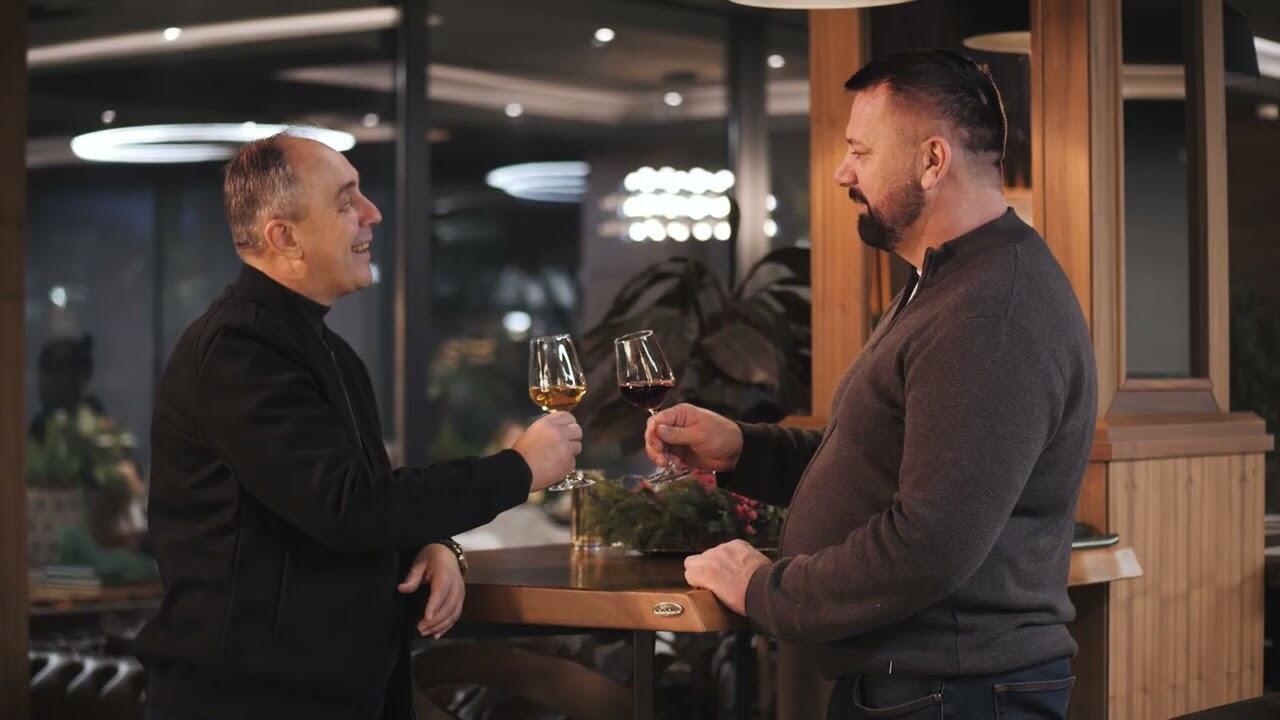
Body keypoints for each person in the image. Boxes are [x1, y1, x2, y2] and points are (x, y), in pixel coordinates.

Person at [646, 50, 1096, 719]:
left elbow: (929, 545)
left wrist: (764, 589)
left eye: (860, 150)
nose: (842, 171)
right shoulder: (947, 281)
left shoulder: (988, 314)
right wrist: (742, 448)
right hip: (929, 687)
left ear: (932, 161)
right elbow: (884, 462)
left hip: (953, 696)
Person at [136, 132, 582, 720]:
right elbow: (347, 508)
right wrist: (518, 470)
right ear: (284, 237)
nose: (372, 213)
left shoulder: (324, 349)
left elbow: (332, 510)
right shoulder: (239, 351)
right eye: (346, 201)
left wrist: (429, 545)